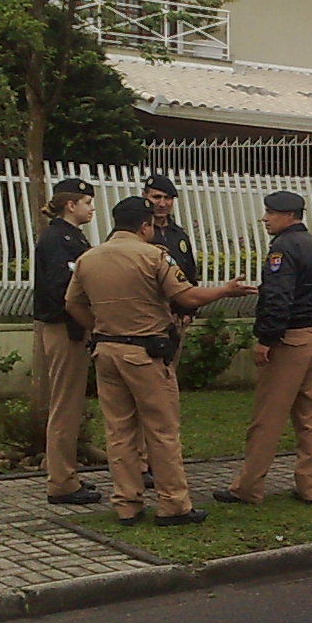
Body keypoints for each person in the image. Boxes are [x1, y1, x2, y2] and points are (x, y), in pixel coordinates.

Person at [64, 196, 256, 526]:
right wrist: (225, 291)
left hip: (107, 351)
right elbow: (186, 296)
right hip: (145, 354)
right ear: (145, 225)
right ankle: (173, 504)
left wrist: (99, 328)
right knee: (162, 429)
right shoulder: (153, 256)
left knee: (119, 431)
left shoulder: (88, 259)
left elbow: (72, 304)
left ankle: (127, 503)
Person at [212, 191, 312, 508]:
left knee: (268, 415)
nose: (265, 218)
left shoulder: (282, 249)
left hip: (290, 340)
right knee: (310, 414)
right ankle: (311, 485)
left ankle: (248, 486)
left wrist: (266, 338)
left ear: (290, 216)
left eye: (271, 213)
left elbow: (278, 298)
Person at [33, 177, 101, 506]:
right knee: (66, 405)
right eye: (87, 202)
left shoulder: (70, 236)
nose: (91, 208)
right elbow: (66, 287)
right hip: (64, 327)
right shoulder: (58, 238)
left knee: (70, 404)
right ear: (70, 204)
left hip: (72, 327)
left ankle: (66, 473)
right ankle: (61, 481)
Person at [138, 173, 199, 488]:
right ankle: (142, 461)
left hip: (174, 321)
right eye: (156, 197)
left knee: (166, 392)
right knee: (146, 394)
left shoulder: (178, 234)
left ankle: (161, 457)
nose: (161, 204)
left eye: (167, 198)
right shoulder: (137, 231)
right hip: (145, 323)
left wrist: (189, 310)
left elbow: (190, 275)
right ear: (146, 197)